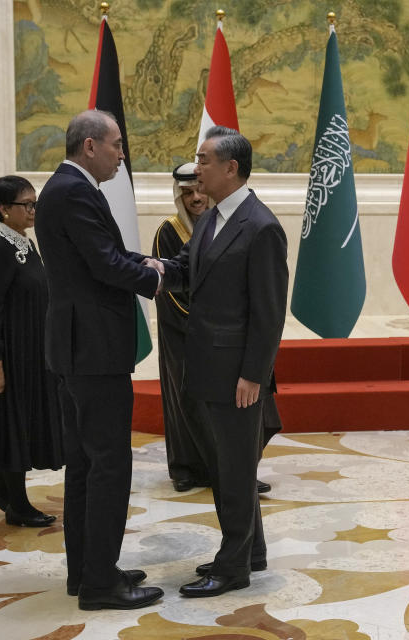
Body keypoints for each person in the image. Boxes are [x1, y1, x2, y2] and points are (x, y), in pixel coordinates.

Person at [34, 109, 164, 610]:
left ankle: (89, 568)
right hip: (93, 351)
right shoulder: (73, 191)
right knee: (109, 465)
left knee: (86, 464)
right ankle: (101, 584)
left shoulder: (66, 189)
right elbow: (105, 264)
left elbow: (105, 255)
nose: (120, 154)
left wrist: (150, 263)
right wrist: (160, 277)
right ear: (89, 146)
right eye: (115, 145)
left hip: (77, 348)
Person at [161, 126, 288, 597]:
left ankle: (232, 567)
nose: (197, 170)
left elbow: (270, 312)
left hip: (237, 376)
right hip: (206, 369)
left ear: (230, 168)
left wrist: (254, 374)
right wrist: (151, 270)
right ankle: (251, 552)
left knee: (234, 473)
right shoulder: (213, 219)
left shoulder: (261, 226)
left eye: (204, 160)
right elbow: (187, 273)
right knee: (225, 468)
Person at [0, 175, 63, 528]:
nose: (32, 210)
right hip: (8, 357)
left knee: (26, 422)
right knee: (12, 423)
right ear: (3, 209)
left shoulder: (24, 241)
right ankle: (18, 504)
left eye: (34, 204)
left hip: (33, 352)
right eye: (26, 205)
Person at [152, 163, 210, 492]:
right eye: (187, 193)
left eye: (199, 190)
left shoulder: (223, 225)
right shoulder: (169, 232)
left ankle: (227, 470)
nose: (196, 198)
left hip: (218, 335)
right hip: (182, 334)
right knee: (183, 400)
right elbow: (166, 288)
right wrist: (199, 321)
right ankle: (185, 469)